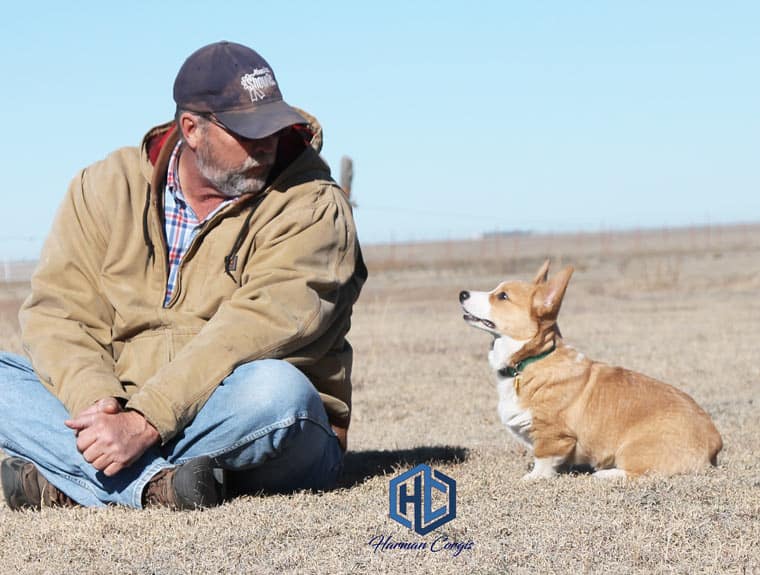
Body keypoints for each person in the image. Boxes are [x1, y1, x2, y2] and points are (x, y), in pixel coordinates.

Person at [0, 41, 366, 510]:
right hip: (124, 403)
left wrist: (148, 420)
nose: (267, 144)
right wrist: (99, 403)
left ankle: (75, 476)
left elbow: (256, 328)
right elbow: (59, 312)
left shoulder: (313, 204)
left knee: (277, 392)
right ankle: (157, 485)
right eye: (247, 133)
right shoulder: (105, 186)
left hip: (238, 416)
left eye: (272, 127)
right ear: (192, 129)